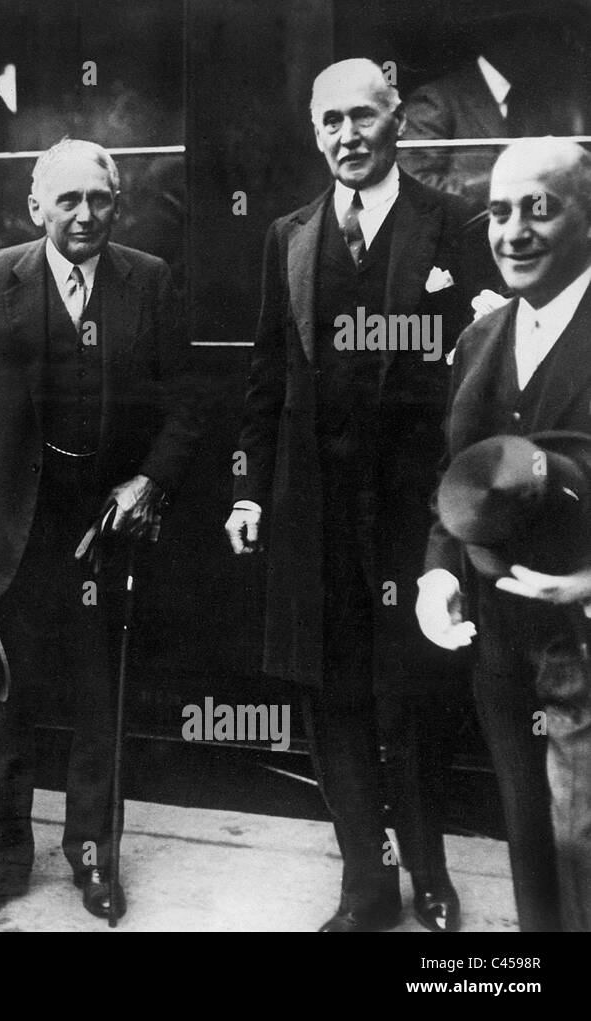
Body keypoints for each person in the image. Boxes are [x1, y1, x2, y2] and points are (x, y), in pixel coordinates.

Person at [225, 58, 484, 932]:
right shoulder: (288, 236)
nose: (347, 135)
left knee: (410, 697)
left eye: (363, 117)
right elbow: (266, 379)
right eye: (329, 120)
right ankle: (364, 885)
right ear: (313, 129)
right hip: (314, 514)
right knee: (331, 702)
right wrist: (250, 492)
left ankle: (432, 874)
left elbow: (476, 381)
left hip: (412, 513)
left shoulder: (452, 224)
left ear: (396, 123)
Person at [0, 138, 201, 923]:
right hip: (16, 525)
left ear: (115, 205)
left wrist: (150, 479)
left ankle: (94, 861)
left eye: (99, 200)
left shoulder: (148, 280)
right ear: (36, 209)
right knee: (6, 704)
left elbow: (190, 401)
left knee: (100, 702)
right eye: (68, 201)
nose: (85, 215)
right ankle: (1, 867)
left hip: (105, 530)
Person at [417, 137, 591, 932]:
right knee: (528, 836)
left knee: (582, 840)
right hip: (499, 642)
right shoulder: (480, 339)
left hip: (585, 643)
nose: (513, 231)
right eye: (500, 210)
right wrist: (439, 572)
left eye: (540, 209)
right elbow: (459, 474)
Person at [402, 16, 591, 210]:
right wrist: (496, 201)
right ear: (512, 39)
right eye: (541, 38)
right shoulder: (437, 99)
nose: (548, 53)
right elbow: (415, 180)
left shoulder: (537, 104)